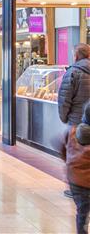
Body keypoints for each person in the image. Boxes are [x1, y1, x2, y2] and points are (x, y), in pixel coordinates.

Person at [55, 102, 90, 234]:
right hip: (86, 181)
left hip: (75, 181)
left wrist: (69, 163)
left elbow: (61, 146)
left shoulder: (73, 131)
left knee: (82, 211)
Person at [59, 43, 90, 126]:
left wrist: (64, 118)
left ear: (76, 56)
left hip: (76, 122)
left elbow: (64, 99)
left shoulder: (72, 72)